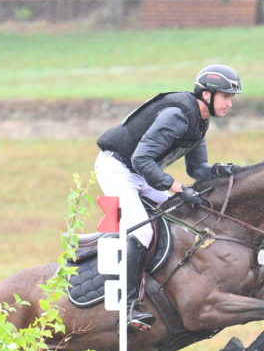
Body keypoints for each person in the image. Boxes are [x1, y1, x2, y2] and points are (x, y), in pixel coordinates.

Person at [94, 64, 242, 332]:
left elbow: (197, 170)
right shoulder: (177, 115)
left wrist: (222, 171)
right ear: (206, 94)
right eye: (226, 96)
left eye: (231, 98)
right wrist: (176, 188)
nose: (230, 104)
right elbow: (141, 159)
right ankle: (129, 306)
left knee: (182, 217)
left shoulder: (200, 122)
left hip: (139, 172)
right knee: (142, 229)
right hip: (117, 168)